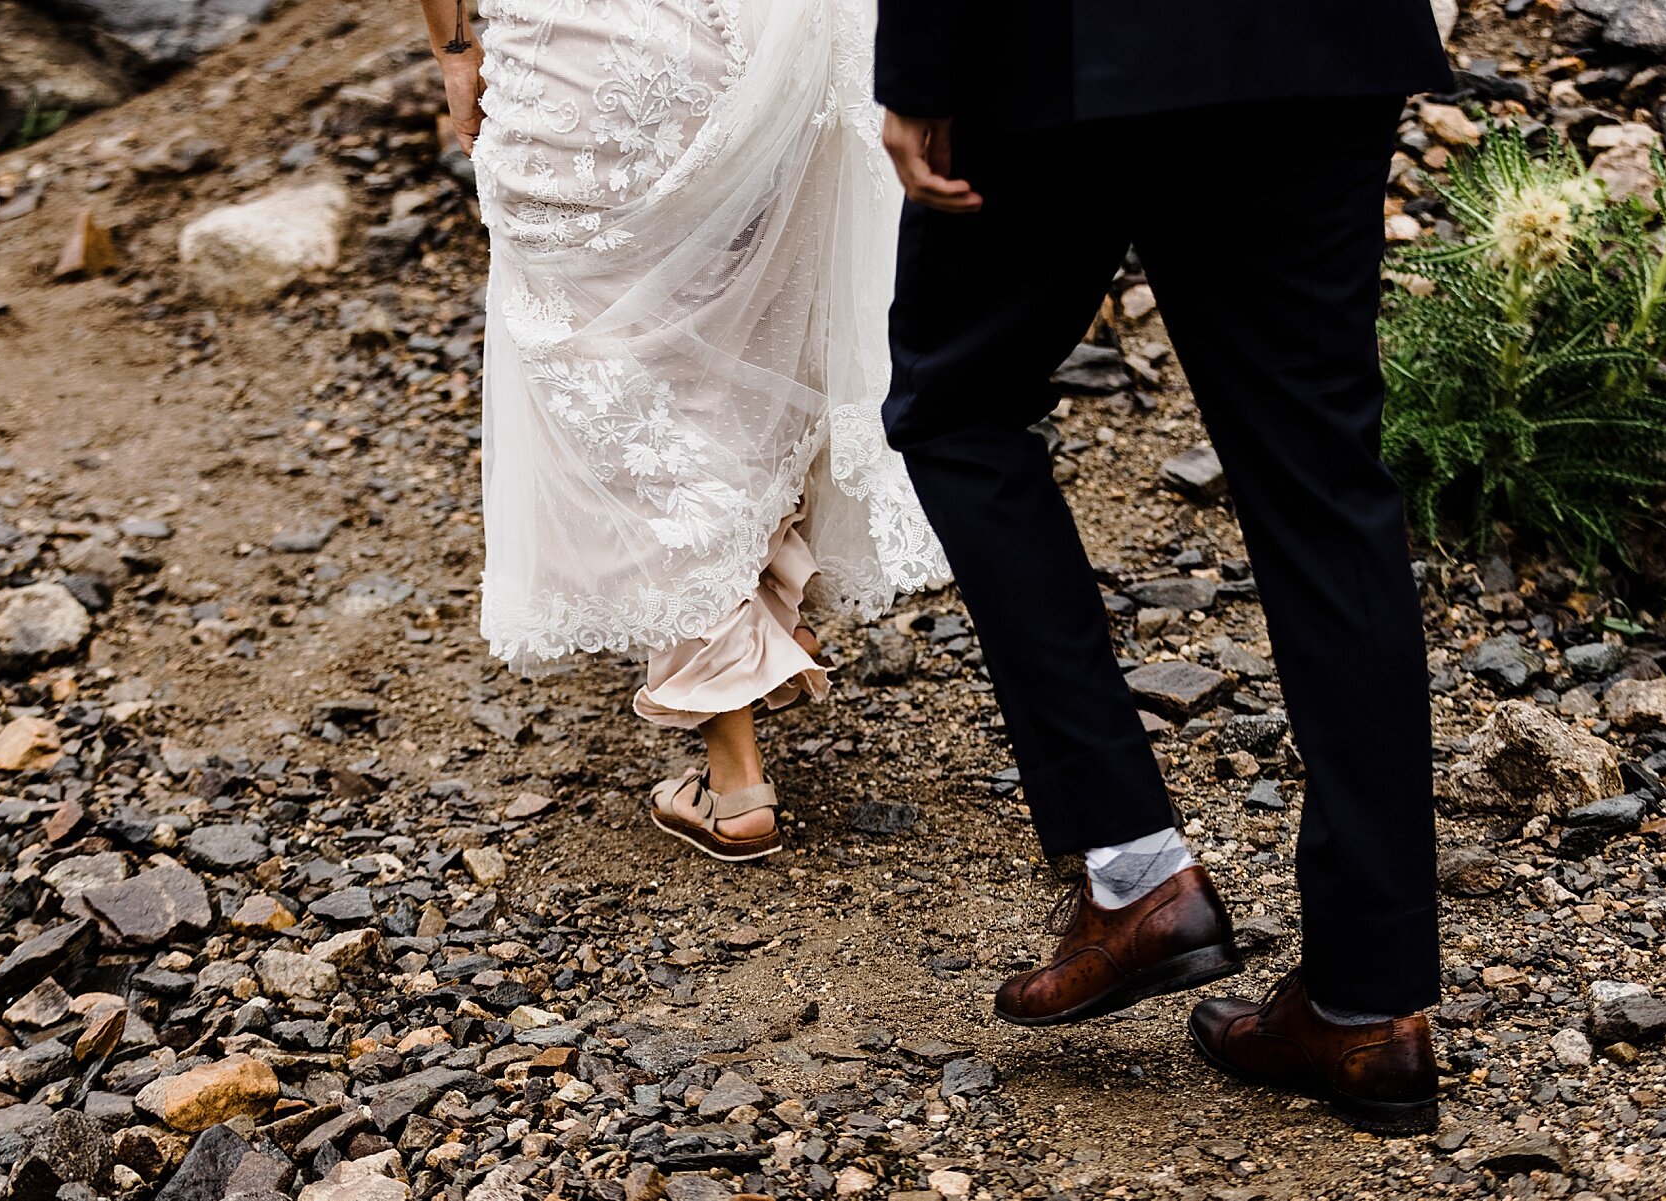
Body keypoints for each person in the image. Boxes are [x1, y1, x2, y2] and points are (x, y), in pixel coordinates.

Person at [873, 1, 1455, 1134]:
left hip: (1062, 45)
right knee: (1325, 486)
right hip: (1319, 42)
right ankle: (1372, 1009)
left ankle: (1137, 871)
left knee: (957, 406)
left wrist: (923, 65)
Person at [416, 0, 947, 862]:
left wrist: (454, 49)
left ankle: (735, 779)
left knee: (611, 374)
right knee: (730, 336)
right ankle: (767, 601)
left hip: (581, 71)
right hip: (747, 51)